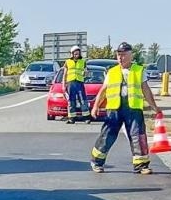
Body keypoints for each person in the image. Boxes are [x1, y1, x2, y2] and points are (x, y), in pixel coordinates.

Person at [89, 43, 158, 175]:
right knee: (107, 136)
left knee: (138, 136)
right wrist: (96, 106)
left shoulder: (139, 70)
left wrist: (154, 106)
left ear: (131, 55)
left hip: (133, 108)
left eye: (124, 55)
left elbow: (146, 90)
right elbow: (103, 91)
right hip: (114, 109)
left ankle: (141, 165)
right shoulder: (112, 72)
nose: (120, 58)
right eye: (119, 55)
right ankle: (97, 161)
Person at [64, 45, 89, 122]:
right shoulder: (67, 62)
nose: (76, 55)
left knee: (83, 100)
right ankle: (71, 118)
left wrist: (86, 73)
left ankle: (86, 118)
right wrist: (63, 84)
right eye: (75, 54)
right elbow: (65, 74)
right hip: (70, 83)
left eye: (78, 54)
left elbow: (85, 73)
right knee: (71, 101)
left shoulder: (83, 62)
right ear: (71, 54)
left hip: (79, 83)